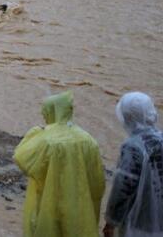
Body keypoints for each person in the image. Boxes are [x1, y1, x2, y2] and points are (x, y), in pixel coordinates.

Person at [15, 91, 105, 237]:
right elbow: (97, 180)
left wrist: (33, 134)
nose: (43, 115)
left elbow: (22, 159)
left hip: (49, 202)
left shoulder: (45, 140)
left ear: (53, 111)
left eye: (45, 111)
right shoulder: (88, 140)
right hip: (79, 205)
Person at [105, 92, 163, 237]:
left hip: (141, 224)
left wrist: (111, 222)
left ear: (127, 118)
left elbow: (123, 188)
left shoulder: (132, 147)